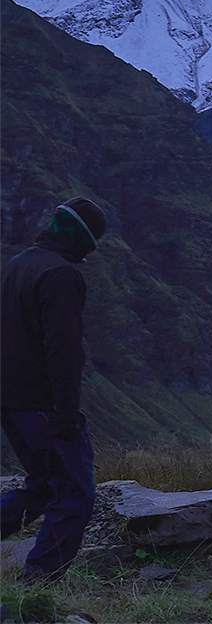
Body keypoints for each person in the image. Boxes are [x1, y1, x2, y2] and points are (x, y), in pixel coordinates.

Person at [1, 199, 109, 584]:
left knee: (45, 486)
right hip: (44, 405)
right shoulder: (61, 275)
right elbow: (64, 351)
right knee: (76, 494)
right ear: (82, 237)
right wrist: (66, 415)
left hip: (11, 402)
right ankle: (39, 579)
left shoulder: (18, 264)